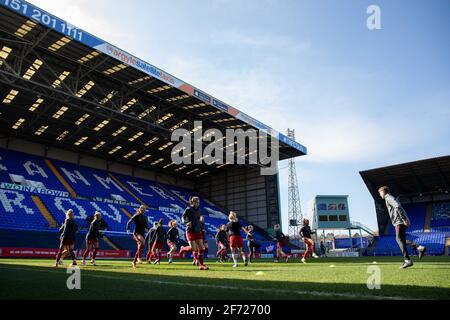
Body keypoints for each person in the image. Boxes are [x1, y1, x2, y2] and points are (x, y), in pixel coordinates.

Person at [378, 186, 426, 269]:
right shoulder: (389, 197)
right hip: (400, 221)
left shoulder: (388, 197)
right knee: (402, 240)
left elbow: (398, 206)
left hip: (399, 222)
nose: (379, 195)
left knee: (398, 239)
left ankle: (407, 260)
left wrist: (404, 219)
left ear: (383, 192)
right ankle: (419, 247)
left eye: (380, 193)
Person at [182, 196, 208, 270]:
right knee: (193, 248)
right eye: (196, 201)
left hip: (198, 231)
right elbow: (183, 217)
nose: (198, 203)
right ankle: (183, 248)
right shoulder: (188, 209)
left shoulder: (198, 210)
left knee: (201, 248)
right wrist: (186, 222)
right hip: (190, 231)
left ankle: (202, 265)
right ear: (192, 202)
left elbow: (198, 220)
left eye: (198, 202)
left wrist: (201, 224)